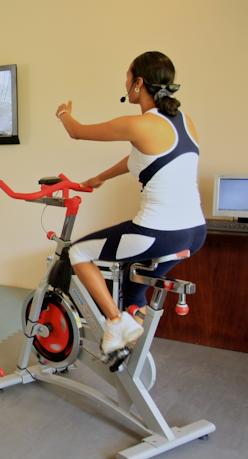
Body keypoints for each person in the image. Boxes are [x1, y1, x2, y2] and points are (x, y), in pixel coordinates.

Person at [56, 51, 206, 354]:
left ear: (138, 83)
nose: (125, 83)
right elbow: (142, 158)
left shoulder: (138, 124)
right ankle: (129, 335)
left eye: (127, 77)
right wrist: (100, 178)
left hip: (158, 232)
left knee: (78, 252)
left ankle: (115, 322)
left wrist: (63, 114)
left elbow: (77, 132)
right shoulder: (184, 121)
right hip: (194, 233)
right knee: (135, 279)